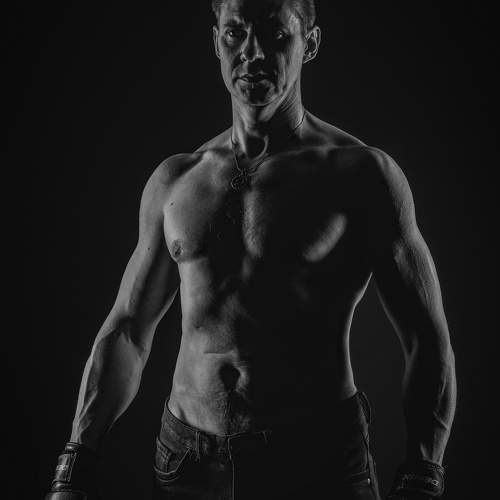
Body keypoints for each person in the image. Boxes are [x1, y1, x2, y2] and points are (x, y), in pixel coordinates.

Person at [45, 1, 457, 499]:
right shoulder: (176, 180)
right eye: (235, 34)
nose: (252, 52)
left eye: (275, 35)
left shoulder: (363, 175)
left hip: (316, 463)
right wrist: (76, 459)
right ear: (215, 41)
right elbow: (129, 330)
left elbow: (426, 338)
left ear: (310, 43)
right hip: (187, 464)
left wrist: (423, 473)